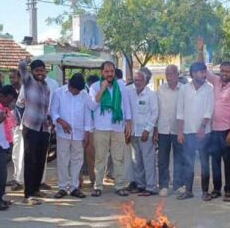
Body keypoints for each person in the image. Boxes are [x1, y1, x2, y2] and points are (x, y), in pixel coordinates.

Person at [90, 61, 133, 197]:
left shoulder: (121, 85)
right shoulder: (95, 86)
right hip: (100, 128)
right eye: (107, 72)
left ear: (115, 72)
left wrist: (129, 123)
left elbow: (126, 105)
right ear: (102, 72)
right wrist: (102, 89)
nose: (109, 74)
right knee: (100, 158)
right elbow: (92, 106)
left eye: (112, 71)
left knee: (118, 158)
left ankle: (119, 185)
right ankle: (98, 186)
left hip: (117, 127)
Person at [205, 62, 230, 202]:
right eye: (222, 70)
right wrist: (200, 50)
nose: (224, 73)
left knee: (227, 161)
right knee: (215, 161)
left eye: (227, 71)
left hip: (227, 130)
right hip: (213, 129)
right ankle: (216, 189)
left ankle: (228, 191)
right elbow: (204, 70)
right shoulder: (216, 81)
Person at [51, 73, 93, 199]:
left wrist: (87, 133)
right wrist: (60, 121)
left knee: (77, 160)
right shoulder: (59, 93)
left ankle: (75, 187)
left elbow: (87, 115)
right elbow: (53, 111)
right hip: (62, 133)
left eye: (78, 91)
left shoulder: (85, 95)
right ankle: (62, 187)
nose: (75, 92)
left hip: (79, 133)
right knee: (63, 160)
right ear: (69, 84)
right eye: (73, 90)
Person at [176, 62, 215, 200]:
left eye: (205, 72)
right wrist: (180, 132)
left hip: (204, 133)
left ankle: (205, 192)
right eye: (201, 72)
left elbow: (209, 111)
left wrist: (202, 128)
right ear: (193, 74)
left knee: (204, 163)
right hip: (188, 132)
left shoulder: (209, 89)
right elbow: (180, 112)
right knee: (188, 162)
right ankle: (188, 190)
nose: (204, 74)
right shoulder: (184, 89)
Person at [20, 59, 53, 205]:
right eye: (37, 71)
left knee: (40, 159)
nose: (40, 73)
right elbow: (21, 69)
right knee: (30, 160)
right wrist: (24, 61)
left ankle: (36, 188)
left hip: (44, 127)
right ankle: (28, 194)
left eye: (42, 70)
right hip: (30, 126)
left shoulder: (46, 87)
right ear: (32, 72)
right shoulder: (28, 83)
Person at [126, 68, 159, 196]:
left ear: (145, 81)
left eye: (140, 80)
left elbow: (155, 113)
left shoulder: (151, 94)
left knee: (148, 161)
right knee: (136, 161)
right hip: (133, 132)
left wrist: (147, 129)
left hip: (146, 133)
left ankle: (151, 187)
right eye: (135, 80)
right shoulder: (129, 92)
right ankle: (140, 185)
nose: (137, 82)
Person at [155, 65, 183, 197]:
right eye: (167, 73)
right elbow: (156, 110)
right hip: (163, 129)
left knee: (179, 158)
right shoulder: (160, 90)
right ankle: (164, 185)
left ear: (178, 75)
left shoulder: (184, 90)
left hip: (178, 130)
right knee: (162, 159)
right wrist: (155, 128)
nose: (169, 76)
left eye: (172, 73)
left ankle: (178, 185)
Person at [8, 67, 25, 191]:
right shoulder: (13, 91)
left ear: (19, 77)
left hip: (24, 125)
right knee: (15, 154)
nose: (11, 80)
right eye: (10, 78)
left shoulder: (24, 89)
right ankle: (16, 177)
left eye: (13, 77)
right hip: (14, 125)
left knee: (21, 153)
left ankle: (19, 180)